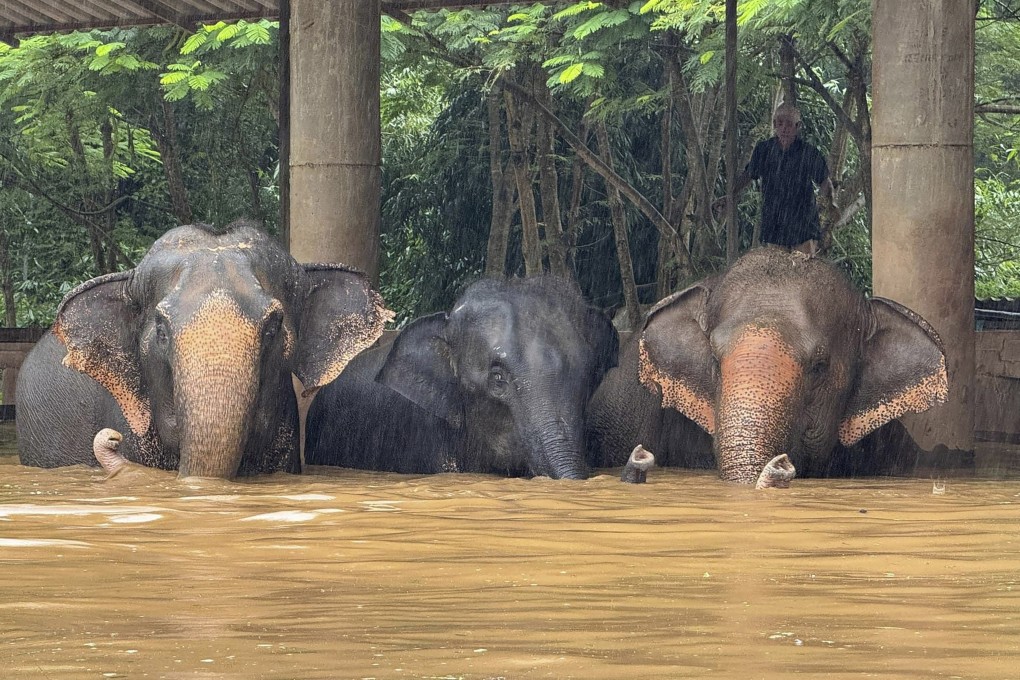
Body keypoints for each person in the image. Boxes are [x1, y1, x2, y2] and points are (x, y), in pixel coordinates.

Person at [714, 103, 837, 255]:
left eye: (789, 124)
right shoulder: (764, 150)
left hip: (803, 224)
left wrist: (827, 206)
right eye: (780, 123)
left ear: (798, 126)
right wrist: (730, 196)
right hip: (775, 223)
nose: (784, 128)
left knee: (805, 272)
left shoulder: (809, 153)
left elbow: (825, 182)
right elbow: (748, 174)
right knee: (777, 273)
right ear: (774, 125)